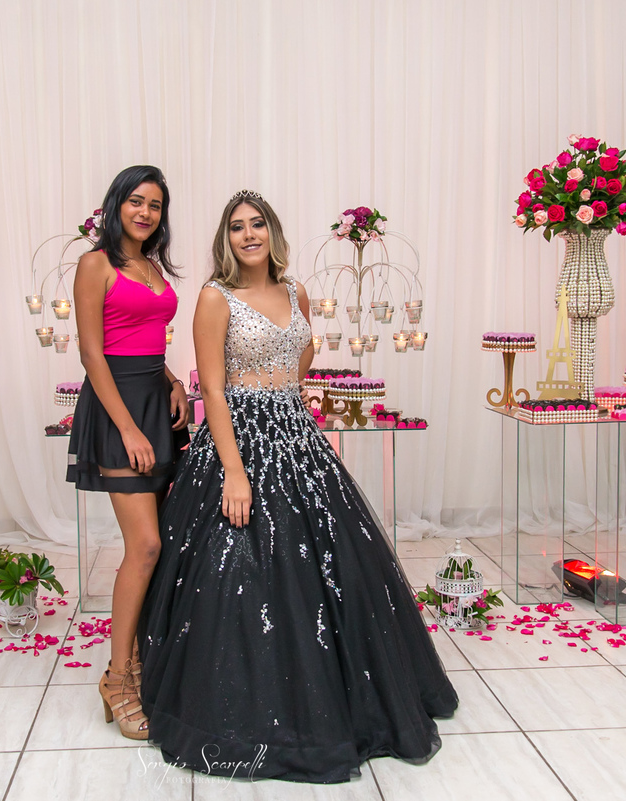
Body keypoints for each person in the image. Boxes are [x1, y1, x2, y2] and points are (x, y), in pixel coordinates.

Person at [137, 190, 458, 783]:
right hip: (238, 440)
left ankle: (332, 694)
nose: (248, 235)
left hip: (296, 433)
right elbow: (213, 390)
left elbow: (302, 355)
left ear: (273, 233)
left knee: (330, 564)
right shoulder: (215, 297)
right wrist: (235, 472)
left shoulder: (297, 293)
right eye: (237, 227)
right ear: (226, 239)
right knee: (237, 568)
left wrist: (282, 395)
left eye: (257, 224)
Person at [68, 165, 190, 740]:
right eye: (136, 201)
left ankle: (140, 661)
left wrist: (172, 381)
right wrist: (129, 430)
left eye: (155, 205)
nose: (145, 212)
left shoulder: (154, 268)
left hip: (154, 401)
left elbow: (143, 341)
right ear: (117, 203)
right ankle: (117, 678)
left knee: (159, 545)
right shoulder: (95, 265)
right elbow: (94, 354)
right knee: (145, 546)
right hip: (117, 409)